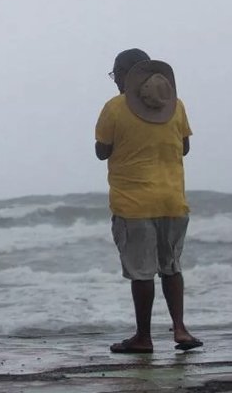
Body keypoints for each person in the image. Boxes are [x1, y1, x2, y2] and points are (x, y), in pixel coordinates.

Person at [94, 48, 202, 354]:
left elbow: (102, 151)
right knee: (171, 267)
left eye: (116, 73)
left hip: (134, 202)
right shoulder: (175, 106)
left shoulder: (114, 108)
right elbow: (184, 148)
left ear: (128, 74)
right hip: (172, 200)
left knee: (141, 272)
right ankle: (180, 330)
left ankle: (144, 337)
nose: (115, 80)